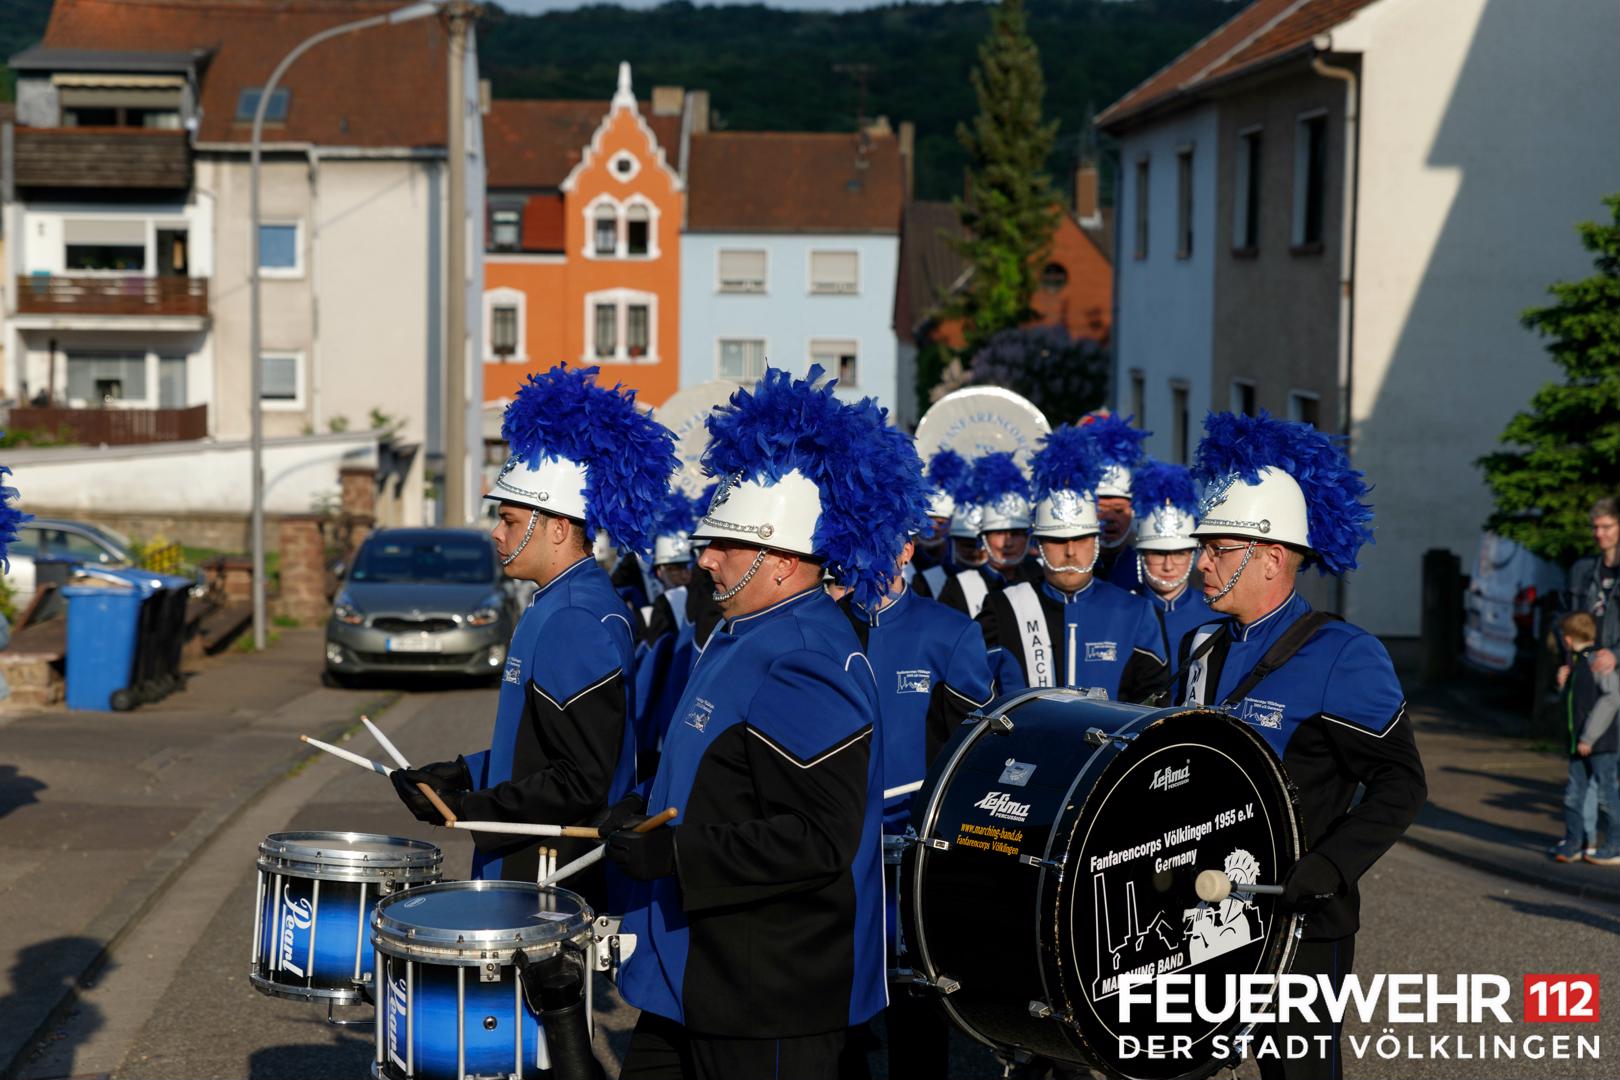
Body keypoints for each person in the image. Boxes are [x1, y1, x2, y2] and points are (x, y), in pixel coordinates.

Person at [607, 366, 930, 1080]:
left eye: (725, 545)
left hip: (768, 996)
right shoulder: (743, 632)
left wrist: (675, 854)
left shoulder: (806, 656)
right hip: (698, 977)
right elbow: (718, 778)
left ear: (783, 563)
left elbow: (817, 839)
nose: (705, 559)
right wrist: (642, 812)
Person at [1175, 411, 1427, 1080]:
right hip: (1201, 913)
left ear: (1272, 558)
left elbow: (1402, 784)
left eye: (1218, 549)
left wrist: (1329, 865)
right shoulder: (1197, 647)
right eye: (1204, 548)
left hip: (1299, 921)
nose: (1201, 564)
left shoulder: (1345, 654)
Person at [389, 365, 675, 905]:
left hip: (548, 873)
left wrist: (470, 808)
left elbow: (581, 780)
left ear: (559, 528)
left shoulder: (575, 618)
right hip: (536, 860)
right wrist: (462, 773)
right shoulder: (562, 600)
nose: (497, 533)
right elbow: (541, 746)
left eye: (510, 520)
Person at [837, 529, 993, 1080]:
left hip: (912, 850)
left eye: (884, 540)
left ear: (907, 549)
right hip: (835, 841)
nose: (868, 554)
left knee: (916, 1006)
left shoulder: (948, 630)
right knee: (836, 1008)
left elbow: (974, 751)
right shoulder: (823, 624)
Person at [975, 424, 1166, 701]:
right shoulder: (1002, 607)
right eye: (1057, 540)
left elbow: (1153, 705)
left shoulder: (1135, 612)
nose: (1071, 551)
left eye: (1081, 539)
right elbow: (979, 697)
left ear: (1096, 540)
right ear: (1039, 544)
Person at [631, 489, 704, 780]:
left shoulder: (686, 600)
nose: (682, 575)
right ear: (659, 572)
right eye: (673, 569)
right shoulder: (650, 609)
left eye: (685, 568)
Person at [936, 452, 1042, 619]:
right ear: (983, 537)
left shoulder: (1042, 575)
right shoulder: (959, 586)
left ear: (1028, 536)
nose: (1008, 543)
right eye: (999, 533)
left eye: (1016, 534)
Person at [1551, 611, 1620, 864]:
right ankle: (1574, 842)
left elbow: (1613, 698)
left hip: (1599, 744)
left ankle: (1614, 845)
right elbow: (1573, 703)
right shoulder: (1576, 663)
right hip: (1578, 743)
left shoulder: (1596, 661)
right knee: (1574, 794)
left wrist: (1589, 737)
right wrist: (1562, 685)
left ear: (1568, 638)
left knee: (1606, 795)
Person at [1130, 460, 1211, 660]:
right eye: (1158, 553)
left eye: (1179, 553)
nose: (1168, 566)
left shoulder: (1215, 612)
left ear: (1192, 554)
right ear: (1142, 555)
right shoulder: (1120, 610)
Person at [1078, 412, 1149, 592]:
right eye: (1101, 509)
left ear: (1133, 512)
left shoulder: (1149, 570)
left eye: (1118, 510)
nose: (1109, 518)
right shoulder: (1073, 567)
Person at [1566, 496, 1620, 677]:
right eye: (1595, 527)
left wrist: (1615, 655)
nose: (1599, 534)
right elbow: (1565, 619)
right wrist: (1571, 661)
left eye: (1606, 527)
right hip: (1585, 666)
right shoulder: (1581, 571)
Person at [913, 448, 970, 587]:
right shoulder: (905, 563)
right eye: (928, 520)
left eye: (940, 522)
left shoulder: (960, 564)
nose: (933, 527)